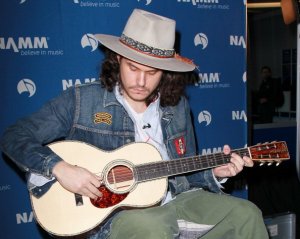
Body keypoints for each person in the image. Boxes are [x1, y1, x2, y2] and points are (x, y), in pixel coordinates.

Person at [0, 9, 268, 239]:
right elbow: (14, 136)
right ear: (117, 60)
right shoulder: (82, 100)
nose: (141, 81)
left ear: (166, 72)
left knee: (247, 214)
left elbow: (183, 168)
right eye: (133, 68)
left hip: (176, 198)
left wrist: (216, 173)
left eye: (152, 72)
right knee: (150, 228)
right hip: (118, 215)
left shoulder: (177, 107)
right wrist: (60, 168)